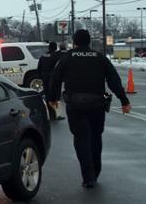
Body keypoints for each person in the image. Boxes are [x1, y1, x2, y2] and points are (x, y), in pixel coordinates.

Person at [46, 29, 131, 188]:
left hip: (75, 105)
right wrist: (124, 101)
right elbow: (114, 80)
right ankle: (96, 171)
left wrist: (52, 98)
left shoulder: (68, 58)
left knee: (81, 139)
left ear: (75, 42)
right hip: (97, 104)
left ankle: (88, 176)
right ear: (89, 41)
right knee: (95, 138)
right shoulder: (100, 58)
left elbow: (55, 78)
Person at [37, 41, 65, 120]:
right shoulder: (56, 56)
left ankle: (49, 113)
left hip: (45, 77)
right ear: (56, 48)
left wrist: (41, 77)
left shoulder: (43, 56)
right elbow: (60, 68)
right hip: (54, 78)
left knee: (47, 95)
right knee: (56, 96)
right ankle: (56, 114)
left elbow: (39, 67)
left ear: (49, 48)